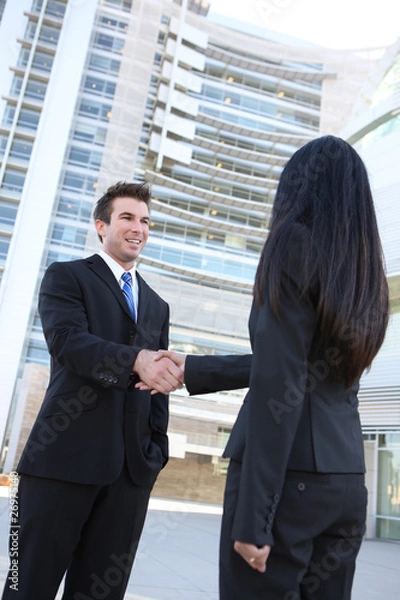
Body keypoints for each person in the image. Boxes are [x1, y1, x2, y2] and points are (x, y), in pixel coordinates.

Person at [155, 136, 390, 599]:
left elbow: (279, 385)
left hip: (288, 486)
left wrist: (254, 517)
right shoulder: (365, 272)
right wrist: (200, 369)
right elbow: (306, 368)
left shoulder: (292, 243)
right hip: (346, 485)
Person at [2, 181, 184, 600]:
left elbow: (159, 385)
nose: (138, 227)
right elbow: (69, 343)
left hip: (129, 477)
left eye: (145, 221)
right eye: (127, 217)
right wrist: (134, 360)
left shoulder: (158, 305)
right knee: (25, 585)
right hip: (60, 462)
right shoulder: (67, 276)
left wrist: (156, 449)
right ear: (101, 225)